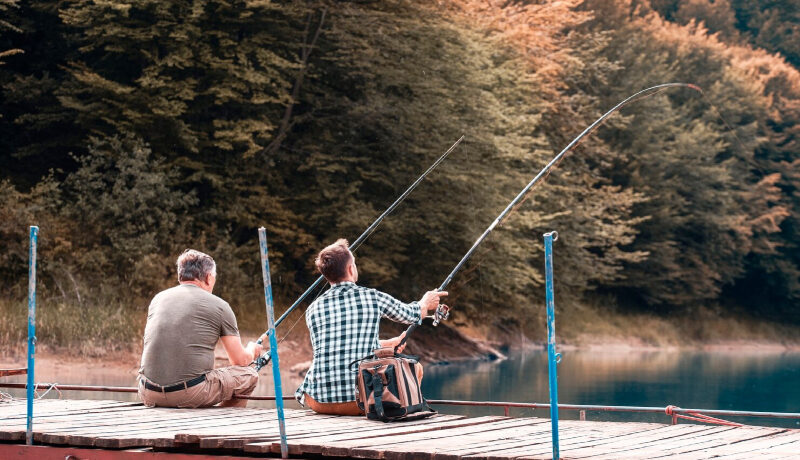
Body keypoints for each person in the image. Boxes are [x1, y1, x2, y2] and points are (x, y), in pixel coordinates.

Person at [295, 239, 447, 416]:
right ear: (351, 269)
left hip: (318, 401)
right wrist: (426, 301)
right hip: (360, 401)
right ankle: (403, 412)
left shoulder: (312, 309)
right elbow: (412, 314)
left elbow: (338, 346)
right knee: (416, 368)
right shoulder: (372, 297)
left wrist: (387, 344)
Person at [138, 249, 266, 408]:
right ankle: (224, 424)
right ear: (208, 277)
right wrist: (252, 349)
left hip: (148, 392)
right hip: (188, 394)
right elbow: (239, 361)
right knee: (248, 375)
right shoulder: (220, 306)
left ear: (180, 276)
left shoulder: (158, 299)